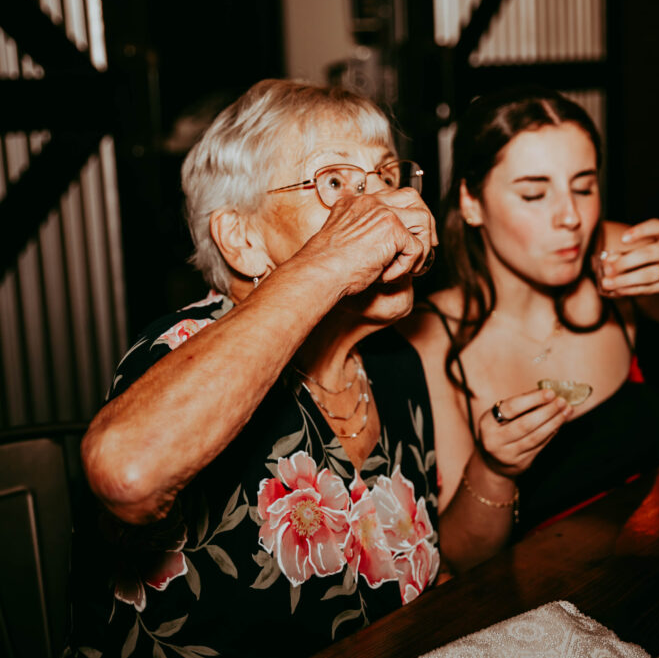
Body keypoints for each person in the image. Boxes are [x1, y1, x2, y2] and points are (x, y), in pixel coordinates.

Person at [68, 79, 493, 657]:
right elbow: (128, 474)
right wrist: (333, 261)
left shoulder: (395, 363)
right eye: (336, 183)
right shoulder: (181, 345)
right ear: (243, 241)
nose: (384, 209)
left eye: (387, 177)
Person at [399, 88, 659, 559]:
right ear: (471, 202)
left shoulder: (609, 261)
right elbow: (464, 558)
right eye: (534, 193)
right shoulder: (434, 338)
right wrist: (494, 468)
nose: (571, 217)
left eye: (584, 186)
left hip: (657, 553)